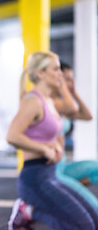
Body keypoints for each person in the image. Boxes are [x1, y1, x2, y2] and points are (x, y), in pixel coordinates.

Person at [6, 51, 98, 230]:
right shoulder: (32, 101)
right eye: (56, 69)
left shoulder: (48, 101)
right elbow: (12, 135)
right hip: (35, 177)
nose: (61, 74)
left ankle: (31, 211)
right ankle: (30, 211)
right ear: (40, 73)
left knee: (94, 221)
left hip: (52, 173)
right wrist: (44, 148)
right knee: (84, 225)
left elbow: (50, 130)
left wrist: (54, 145)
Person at [53, 61, 98, 211]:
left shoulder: (62, 105)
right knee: (94, 209)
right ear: (57, 78)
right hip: (51, 170)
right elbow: (70, 107)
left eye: (72, 79)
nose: (70, 83)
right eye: (66, 79)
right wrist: (65, 90)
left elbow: (87, 116)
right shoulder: (51, 103)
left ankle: (64, 193)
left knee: (96, 168)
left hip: (62, 166)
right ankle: (61, 193)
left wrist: (74, 92)